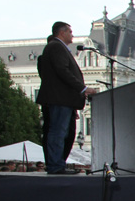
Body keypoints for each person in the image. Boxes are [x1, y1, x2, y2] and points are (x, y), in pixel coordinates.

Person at [36, 22, 95, 174]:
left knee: (62, 133)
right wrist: (82, 88)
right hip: (59, 99)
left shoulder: (58, 47)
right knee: (58, 132)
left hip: (63, 99)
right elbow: (62, 71)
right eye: (70, 31)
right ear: (62, 33)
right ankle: (56, 165)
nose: (72, 35)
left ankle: (57, 164)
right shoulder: (56, 47)